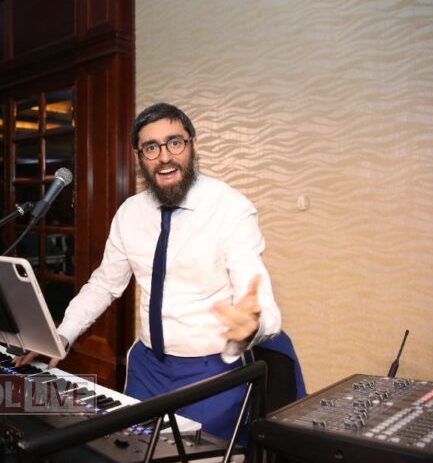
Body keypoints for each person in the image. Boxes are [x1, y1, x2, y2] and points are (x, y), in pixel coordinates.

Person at [16, 103, 282, 441]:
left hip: (213, 370)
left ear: (193, 145)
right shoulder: (129, 213)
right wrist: (63, 334)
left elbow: (261, 302)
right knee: (134, 459)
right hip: (147, 368)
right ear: (139, 157)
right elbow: (104, 284)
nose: (165, 157)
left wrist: (251, 325)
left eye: (175, 142)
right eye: (151, 147)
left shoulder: (232, 209)